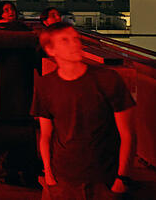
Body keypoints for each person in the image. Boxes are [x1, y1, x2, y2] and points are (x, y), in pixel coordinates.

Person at [31, 22, 136, 198]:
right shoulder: (45, 85)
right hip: (62, 178)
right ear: (51, 50)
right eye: (65, 40)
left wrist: (122, 177)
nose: (74, 44)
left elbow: (128, 133)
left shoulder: (108, 79)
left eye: (76, 38)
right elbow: (45, 134)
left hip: (104, 178)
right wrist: (48, 173)